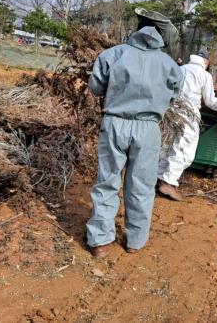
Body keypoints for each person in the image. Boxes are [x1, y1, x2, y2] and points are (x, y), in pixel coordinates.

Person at [86, 26, 183, 259]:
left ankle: (100, 242)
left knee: (108, 180)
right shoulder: (170, 64)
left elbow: (95, 88)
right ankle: (136, 240)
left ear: (135, 34)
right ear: (161, 38)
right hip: (148, 129)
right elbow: (173, 95)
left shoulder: (113, 54)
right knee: (142, 184)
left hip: (114, 123)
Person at [157, 50, 217, 201]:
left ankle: (159, 176)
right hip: (188, 115)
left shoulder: (180, 69)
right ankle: (168, 183)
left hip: (171, 112)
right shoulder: (204, 75)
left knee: (167, 145)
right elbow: (210, 101)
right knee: (184, 149)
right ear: (206, 63)